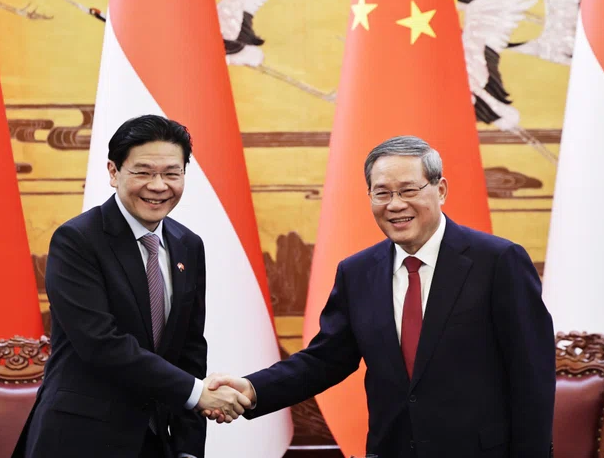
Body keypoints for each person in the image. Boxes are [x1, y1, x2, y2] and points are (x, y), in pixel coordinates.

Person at [207, 135, 555, 458]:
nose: (395, 204)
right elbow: (325, 360)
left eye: (408, 190)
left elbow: (532, 376)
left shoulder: (498, 262)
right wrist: (252, 389)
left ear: (441, 189)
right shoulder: (358, 272)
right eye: (382, 193)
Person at [12, 115, 251, 458]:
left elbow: (190, 350)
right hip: (82, 439)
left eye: (172, 173)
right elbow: (100, 343)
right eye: (143, 172)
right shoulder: (77, 240)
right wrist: (198, 393)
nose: (158, 185)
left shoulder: (188, 245)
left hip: (158, 441)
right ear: (113, 172)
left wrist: (188, 447)